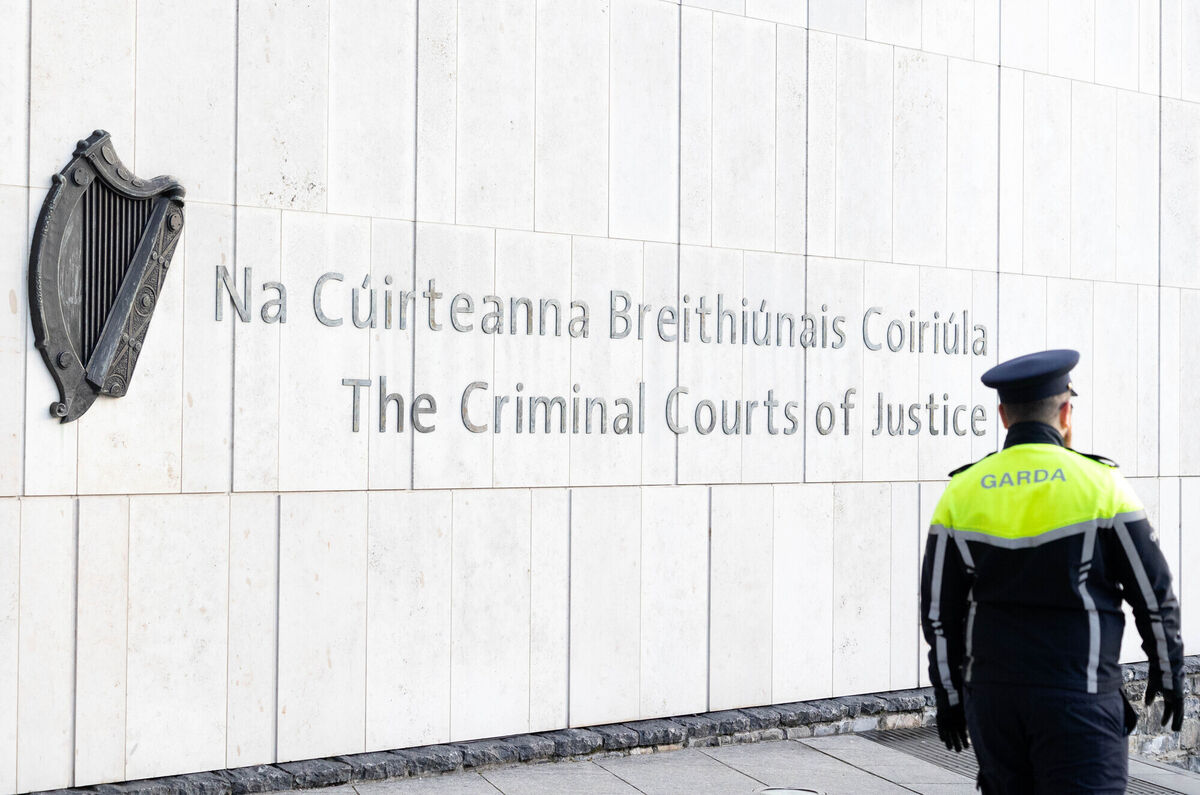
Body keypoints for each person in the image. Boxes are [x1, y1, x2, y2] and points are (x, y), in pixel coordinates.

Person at [919, 349, 1184, 794]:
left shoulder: (960, 492)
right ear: (1066, 413)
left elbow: (938, 615)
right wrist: (1169, 668)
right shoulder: (1101, 486)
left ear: (1003, 416)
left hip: (994, 700)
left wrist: (949, 697)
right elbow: (1153, 594)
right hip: (1078, 693)